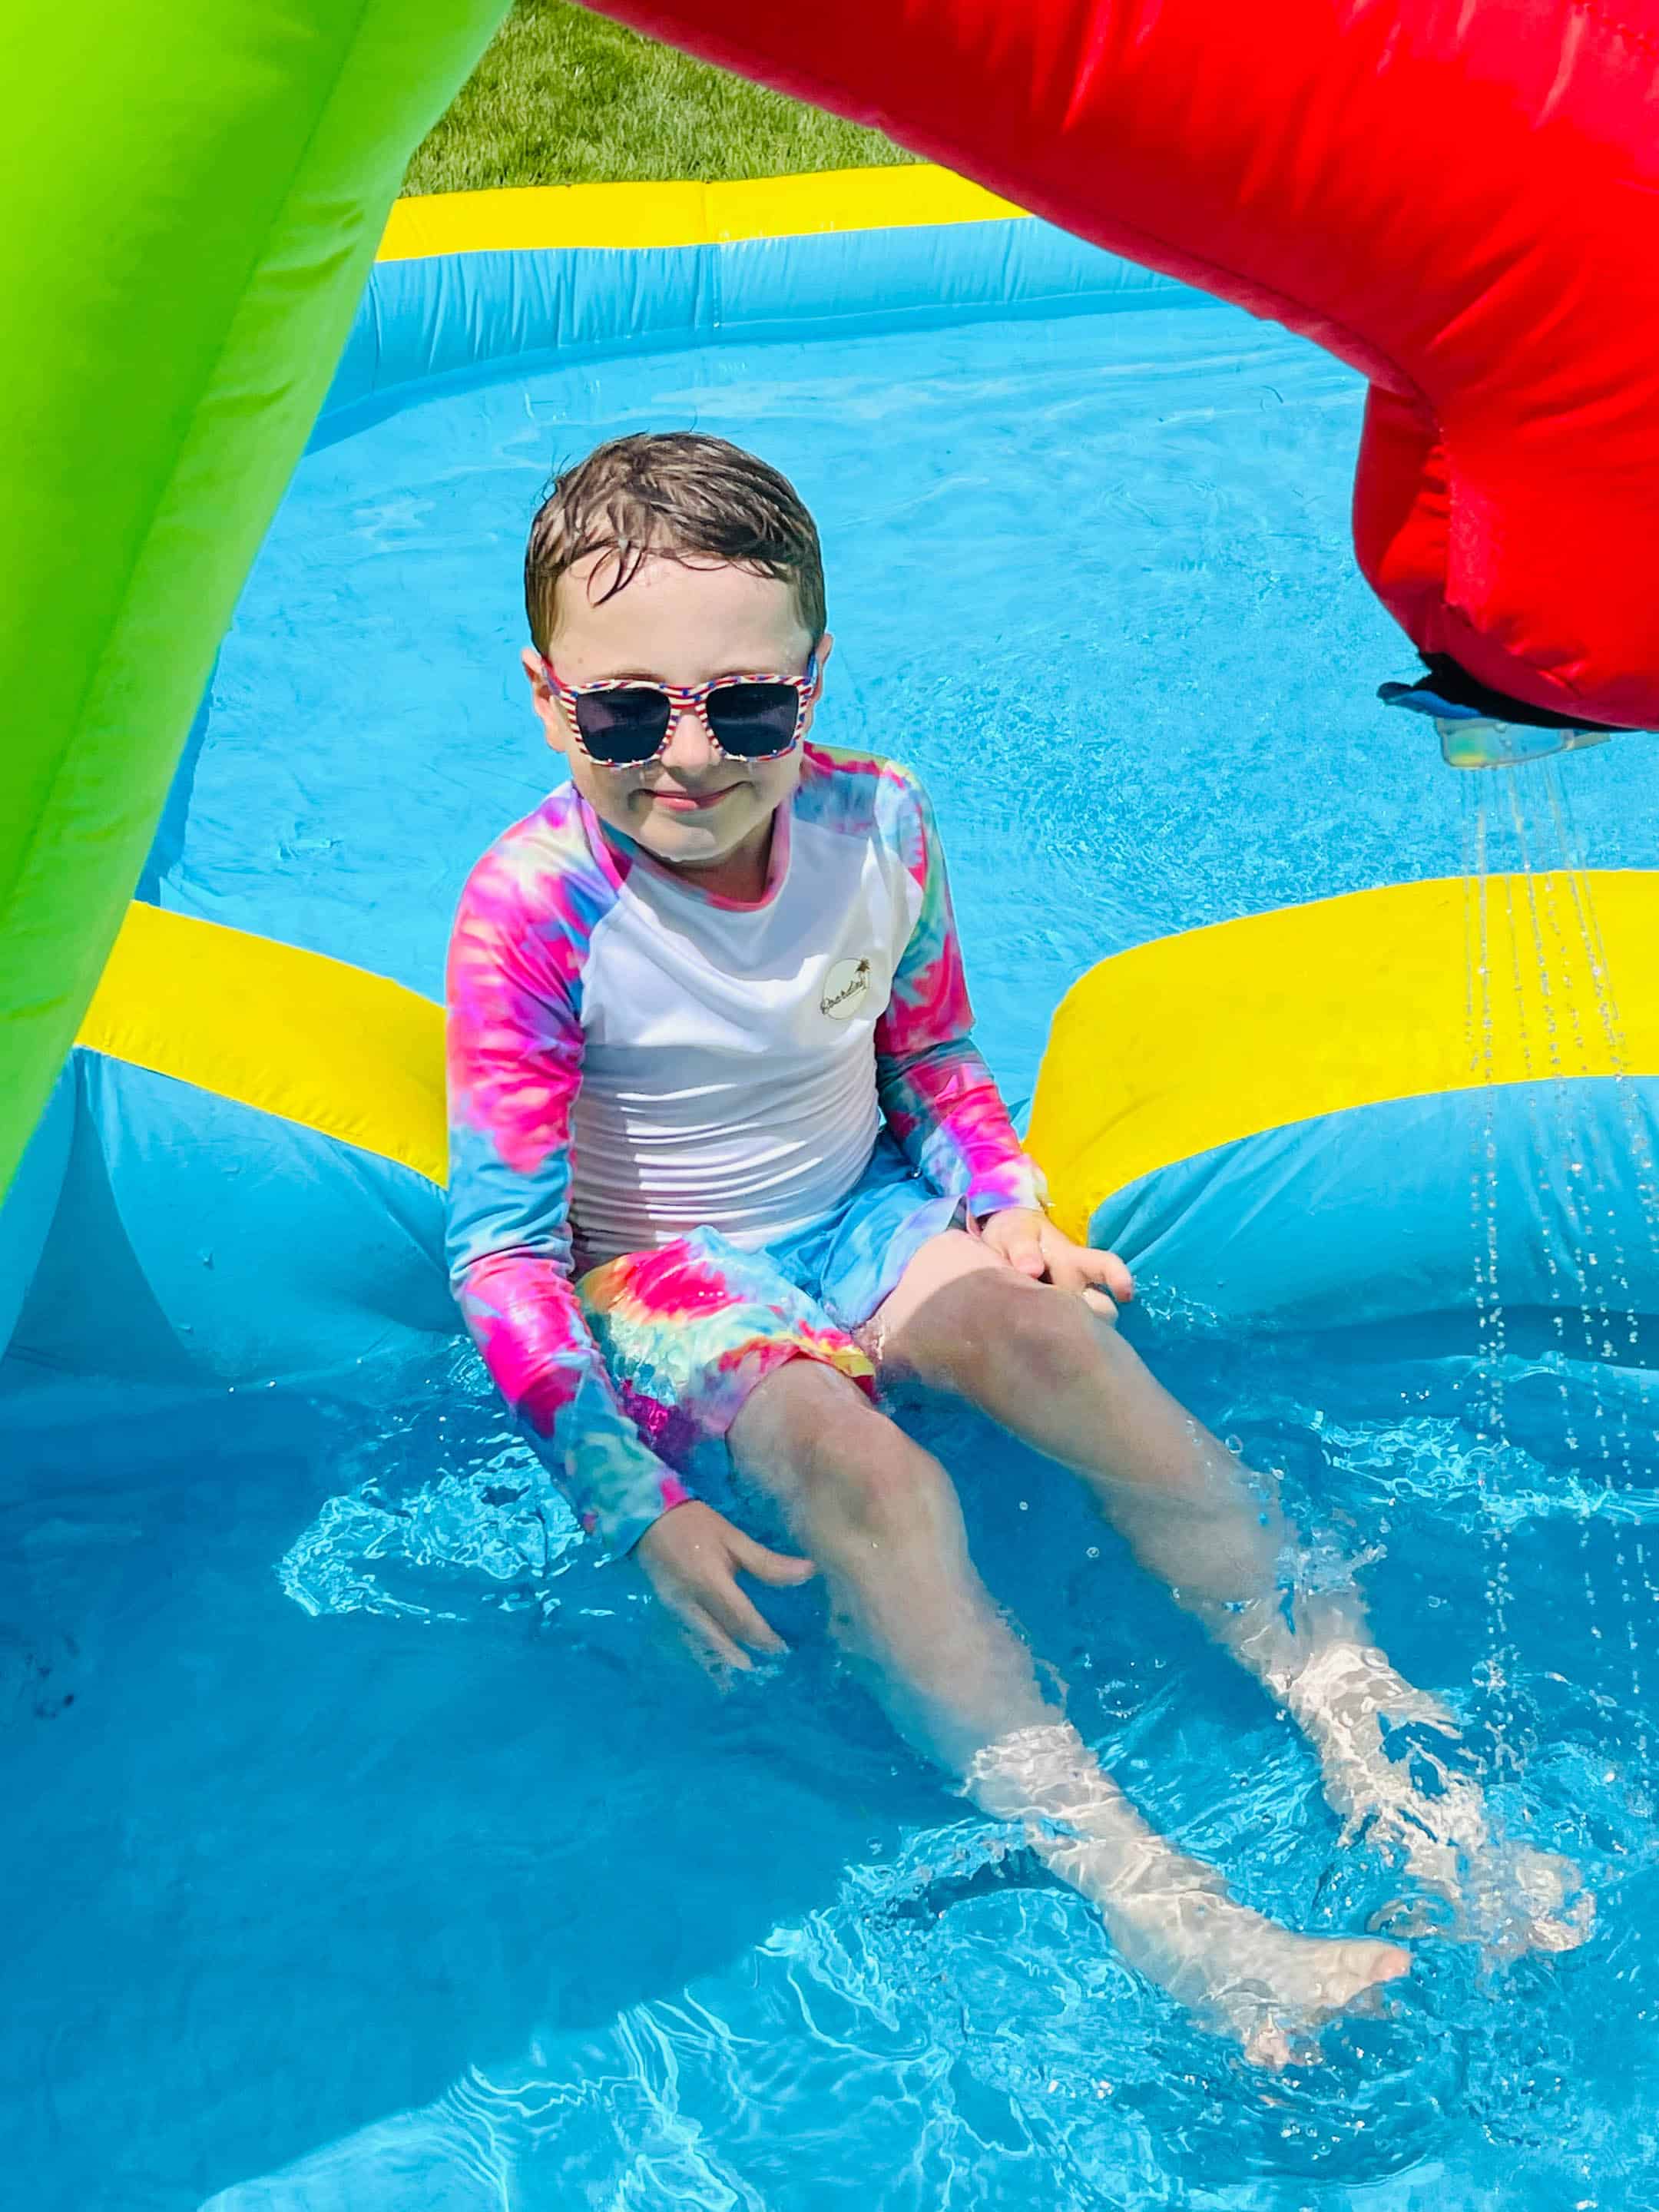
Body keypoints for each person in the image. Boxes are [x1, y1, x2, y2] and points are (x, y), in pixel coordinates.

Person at [445, 432, 1587, 2065]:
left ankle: (1375, 1737)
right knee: (875, 1478)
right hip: (669, 1269)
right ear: (547, 697)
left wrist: (1004, 1205)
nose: (687, 758)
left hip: (865, 1218)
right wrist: (636, 1510)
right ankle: (1158, 1901)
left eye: (747, 708)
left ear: (812, 680)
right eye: (625, 714)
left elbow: (931, 1056)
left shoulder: (880, 823)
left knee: (1060, 1345)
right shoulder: (534, 908)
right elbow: (503, 1256)